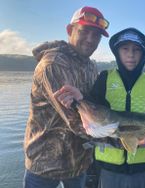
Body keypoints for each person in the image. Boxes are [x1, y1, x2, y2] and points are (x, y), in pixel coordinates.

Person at [55, 27, 145, 188]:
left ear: (143, 54)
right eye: (125, 49)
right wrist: (78, 99)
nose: (131, 54)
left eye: (136, 50)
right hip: (108, 169)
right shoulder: (104, 79)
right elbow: (89, 110)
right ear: (117, 52)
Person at [23, 6, 109, 188]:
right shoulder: (53, 64)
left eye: (96, 35)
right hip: (44, 166)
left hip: (78, 163)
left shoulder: (90, 66)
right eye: (84, 31)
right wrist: (128, 137)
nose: (90, 39)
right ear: (70, 30)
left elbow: (93, 105)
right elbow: (78, 122)